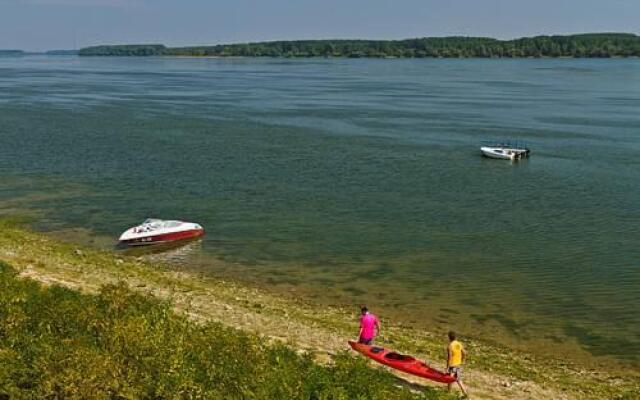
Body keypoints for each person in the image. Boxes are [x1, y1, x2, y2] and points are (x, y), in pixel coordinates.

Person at [446, 330, 469, 397]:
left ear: (449, 337)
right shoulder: (459, 344)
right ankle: (465, 393)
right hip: (458, 364)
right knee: (458, 379)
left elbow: (449, 358)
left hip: (452, 365)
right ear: (455, 337)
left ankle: (448, 393)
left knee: (449, 378)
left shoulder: (450, 346)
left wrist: (447, 367)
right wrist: (462, 360)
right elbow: (465, 353)